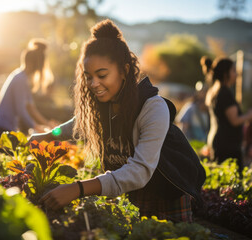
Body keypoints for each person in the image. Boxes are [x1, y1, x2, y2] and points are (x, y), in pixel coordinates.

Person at [29, 19, 205, 222]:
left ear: (125, 70)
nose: (94, 84)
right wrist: (49, 136)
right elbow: (79, 124)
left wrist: (78, 188)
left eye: (102, 75)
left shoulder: (153, 107)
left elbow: (139, 171)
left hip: (168, 192)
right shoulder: (105, 105)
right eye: (88, 76)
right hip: (136, 190)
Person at [0, 39, 57, 151]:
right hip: (1, 129)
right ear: (35, 64)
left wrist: (48, 124)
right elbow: (21, 110)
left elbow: (31, 108)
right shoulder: (20, 79)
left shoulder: (22, 78)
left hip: (5, 128)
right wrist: (36, 127)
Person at [202, 56, 252, 171]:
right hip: (228, 146)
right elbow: (234, 120)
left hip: (218, 142)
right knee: (232, 182)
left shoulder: (214, 90)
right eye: (234, 71)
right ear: (226, 73)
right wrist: (250, 115)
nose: (236, 74)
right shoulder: (224, 93)